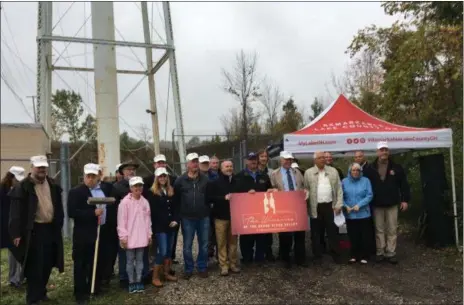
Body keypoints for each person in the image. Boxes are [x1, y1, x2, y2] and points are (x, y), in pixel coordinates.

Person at [9, 155, 64, 305]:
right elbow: (15, 213)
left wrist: (58, 223)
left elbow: (58, 206)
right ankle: (33, 298)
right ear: (32, 167)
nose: (41, 169)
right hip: (33, 231)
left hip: (50, 229)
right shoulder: (23, 187)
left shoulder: (52, 184)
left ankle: (41, 292)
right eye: (38, 166)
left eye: (44, 167)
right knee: (34, 266)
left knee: (47, 263)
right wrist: (16, 234)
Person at [68, 163, 114, 304]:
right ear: (84, 176)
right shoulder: (76, 192)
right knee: (81, 263)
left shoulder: (105, 189)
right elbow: (72, 212)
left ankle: (94, 287)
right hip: (84, 234)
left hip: (102, 231)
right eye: (88, 176)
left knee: (97, 260)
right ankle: (80, 293)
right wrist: (92, 213)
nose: (90, 179)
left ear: (98, 176)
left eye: (93, 176)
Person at [363, 142, 410, 264]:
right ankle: (380, 252)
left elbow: (404, 184)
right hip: (376, 203)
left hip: (392, 203)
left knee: (392, 229)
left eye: (386, 150)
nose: (384, 152)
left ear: (388, 152)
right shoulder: (369, 168)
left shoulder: (397, 167)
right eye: (381, 150)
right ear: (377, 152)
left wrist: (405, 200)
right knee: (379, 229)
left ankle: (391, 252)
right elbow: (365, 186)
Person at [112, 161, 150, 288]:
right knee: (126, 257)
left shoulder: (143, 197)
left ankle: (141, 278)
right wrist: (122, 234)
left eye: (133, 169)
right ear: (122, 172)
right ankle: (125, 278)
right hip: (125, 228)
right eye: (128, 169)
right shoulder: (116, 187)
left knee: (140, 256)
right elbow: (117, 212)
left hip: (140, 230)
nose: (131, 171)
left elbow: (147, 216)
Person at [174, 153, 210, 279]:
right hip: (187, 218)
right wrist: (179, 214)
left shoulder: (205, 179)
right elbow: (176, 199)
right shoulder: (180, 181)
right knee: (187, 245)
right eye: (193, 161)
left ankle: (202, 267)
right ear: (187, 164)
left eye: (196, 161)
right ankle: (188, 268)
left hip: (203, 217)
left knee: (204, 244)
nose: (195, 164)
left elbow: (209, 196)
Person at [304, 151, 343, 264]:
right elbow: (306, 189)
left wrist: (339, 204)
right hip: (315, 206)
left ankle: (336, 254)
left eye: (324, 158)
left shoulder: (333, 171)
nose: (323, 159)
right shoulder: (308, 173)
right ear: (315, 160)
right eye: (320, 158)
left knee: (333, 231)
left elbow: (339, 189)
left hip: (330, 206)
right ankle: (318, 255)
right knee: (316, 232)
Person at [235, 152, 274, 265]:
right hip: (246, 212)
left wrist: (271, 190)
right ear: (246, 161)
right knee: (246, 236)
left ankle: (260, 258)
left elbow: (269, 189)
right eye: (250, 159)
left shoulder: (263, 175)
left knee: (261, 235)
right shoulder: (239, 176)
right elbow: (235, 193)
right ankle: (247, 258)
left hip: (261, 211)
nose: (253, 161)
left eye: (255, 159)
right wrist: (245, 194)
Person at [270, 151, 307, 268]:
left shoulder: (298, 172)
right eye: (286, 159)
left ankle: (300, 259)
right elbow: (270, 188)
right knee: (285, 234)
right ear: (281, 160)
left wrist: (306, 191)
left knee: (300, 234)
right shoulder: (274, 174)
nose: (288, 161)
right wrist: (273, 190)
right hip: (283, 207)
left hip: (298, 206)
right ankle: (285, 259)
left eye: (290, 159)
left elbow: (303, 186)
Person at [143, 154, 179, 269]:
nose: (162, 178)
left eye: (164, 176)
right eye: (160, 176)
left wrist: (175, 219)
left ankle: (167, 272)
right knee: (161, 251)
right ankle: (155, 275)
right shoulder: (150, 191)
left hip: (171, 225)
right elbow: (152, 210)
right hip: (159, 226)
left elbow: (176, 207)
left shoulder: (171, 189)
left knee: (168, 250)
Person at [117, 176, 152, 293]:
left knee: (140, 260)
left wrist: (149, 234)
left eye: (140, 185)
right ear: (131, 188)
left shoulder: (145, 202)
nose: (138, 188)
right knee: (130, 260)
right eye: (135, 186)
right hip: (130, 237)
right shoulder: (124, 203)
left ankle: (139, 280)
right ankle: (131, 281)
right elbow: (121, 221)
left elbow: (148, 221)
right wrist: (123, 237)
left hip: (142, 236)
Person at [208, 160, 240, 276]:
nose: (229, 168)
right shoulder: (215, 182)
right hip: (220, 217)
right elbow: (210, 198)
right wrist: (223, 198)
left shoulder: (237, 181)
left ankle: (233, 264)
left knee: (233, 242)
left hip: (234, 217)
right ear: (221, 169)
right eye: (226, 166)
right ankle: (223, 265)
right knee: (221, 243)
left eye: (231, 166)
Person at [342, 163, 373, 264]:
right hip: (350, 214)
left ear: (360, 171)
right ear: (350, 171)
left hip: (363, 213)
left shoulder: (366, 180)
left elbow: (369, 195)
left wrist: (359, 205)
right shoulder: (344, 181)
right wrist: (345, 205)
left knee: (364, 235)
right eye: (353, 170)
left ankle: (365, 255)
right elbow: (340, 196)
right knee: (352, 235)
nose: (355, 172)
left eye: (357, 170)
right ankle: (353, 255)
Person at [0, 166, 25, 288]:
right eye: (16, 179)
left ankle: (17, 278)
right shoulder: (2, 190)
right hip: (4, 224)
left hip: (15, 225)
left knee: (16, 251)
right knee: (12, 251)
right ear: (11, 177)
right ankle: (13, 278)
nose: (18, 182)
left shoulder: (20, 189)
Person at [256, 149, 276, 262]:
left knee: (269, 230)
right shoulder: (254, 171)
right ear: (258, 158)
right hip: (256, 205)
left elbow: (274, 185)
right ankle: (259, 253)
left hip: (268, 204)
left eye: (265, 156)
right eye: (261, 156)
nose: (264, 158)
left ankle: (268, 252)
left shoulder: (272, 172)